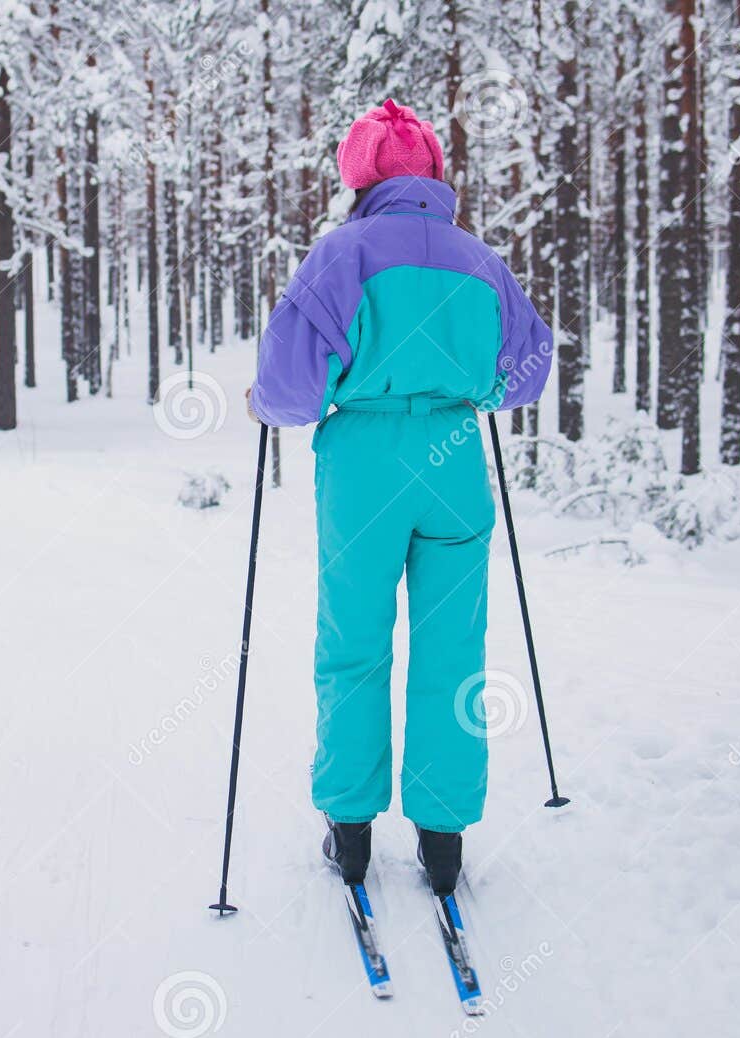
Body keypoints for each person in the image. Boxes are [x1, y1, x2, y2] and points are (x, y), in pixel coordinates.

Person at [245, 99, 551, 897]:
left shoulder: (339, 256)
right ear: (434, 177)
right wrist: (467, 381)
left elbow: (290, 388)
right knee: (455, 647)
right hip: (452, 460)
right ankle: (443, 837)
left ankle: (350, 830)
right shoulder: (481, 262)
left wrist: (261, 402)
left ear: (360, 176)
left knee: (354, 640)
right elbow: (526, 373)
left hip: (364, 467)